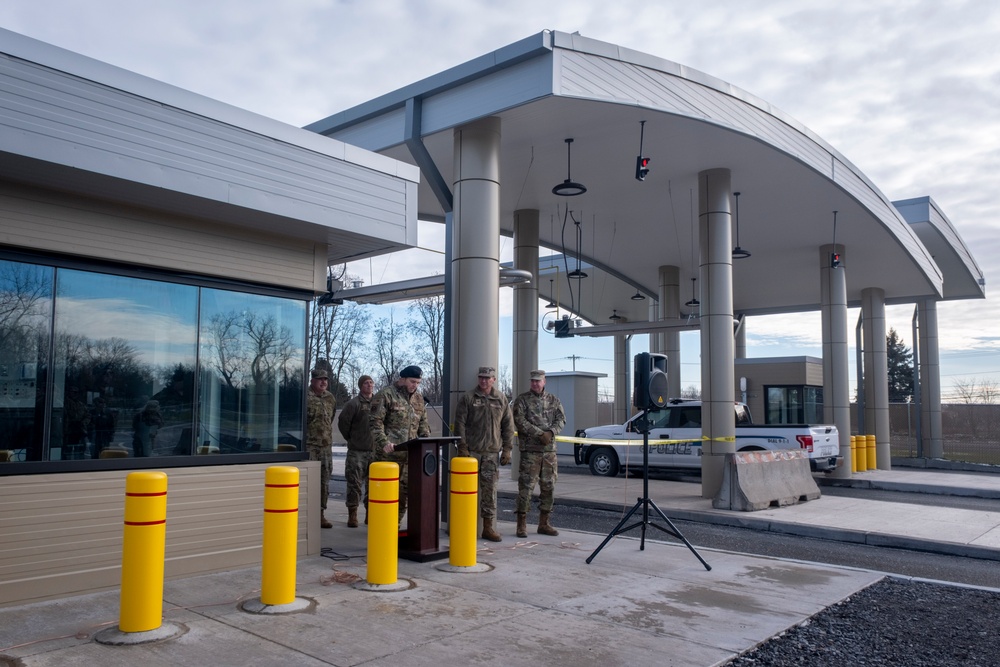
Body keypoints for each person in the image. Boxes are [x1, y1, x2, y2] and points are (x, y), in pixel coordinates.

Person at [454, 366, 515, 542]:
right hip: (471, 453)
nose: (484, 381)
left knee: (489, 491)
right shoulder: (468, 398)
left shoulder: (500, 398)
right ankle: (464, 526)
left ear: (493, 379)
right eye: (481, 377)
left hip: (491, 454)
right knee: (466, 491)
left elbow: (508, 426)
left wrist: (508, 449)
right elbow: (460, 424)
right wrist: (462, 446)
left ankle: (487, 528)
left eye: (487, 378)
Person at [369, 365, 430, 526]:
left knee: (403, 495)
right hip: (388, 456)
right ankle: (380, 526)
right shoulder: (385, 395)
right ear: (402, 379)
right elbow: (375, 423)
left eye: (418, 383)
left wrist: (427, 443)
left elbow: (423, 424)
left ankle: (394, 526)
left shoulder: (419, 399)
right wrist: (384, 442)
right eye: (412, 382)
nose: (414, 386)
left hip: (409, 457)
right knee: (385, 495)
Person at [512, 369, 566, 538]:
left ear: (544, 382)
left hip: (549, 453)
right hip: (530, 452)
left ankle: (544, 523)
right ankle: (521, 525)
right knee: (526, 488)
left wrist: (551, 432)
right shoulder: (522, 400)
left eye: (538, 381)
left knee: (548, 487)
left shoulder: (553, 400)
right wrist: (539, 433)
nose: (535, 383)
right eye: (533, 381)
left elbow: (561, 419)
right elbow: (519, 421)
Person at [337, 374, 376, 528]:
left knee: (374, 486)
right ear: (361, 386)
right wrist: (351, 438)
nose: (369, 385)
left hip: (374, 452)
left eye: (371, 382)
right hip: (357, 452)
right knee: (354, 484)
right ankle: (352, 515)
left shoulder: (378, 403)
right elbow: (343, 423)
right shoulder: (353, 404)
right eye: (366, 383)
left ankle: (370, 514)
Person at [306, 367, 336, 529]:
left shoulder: (330, 398)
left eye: (326, 379)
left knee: (323, 482)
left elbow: (329, 419)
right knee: (308, 481)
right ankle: (305, 513)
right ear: (312, 380)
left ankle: (320, 514)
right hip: (309, 446)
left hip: (325, 447)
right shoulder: (305, 397)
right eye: (320, 379)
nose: (324, 382)